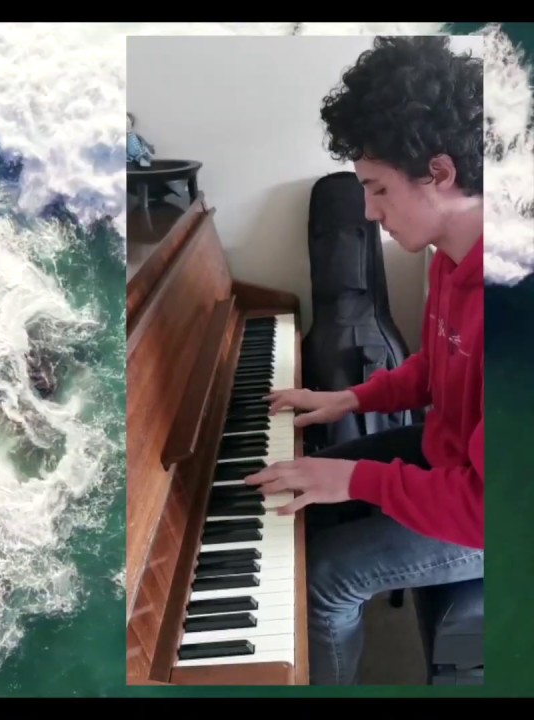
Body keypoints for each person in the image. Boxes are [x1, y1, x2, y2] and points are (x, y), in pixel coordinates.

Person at [241, 36, 485, 686]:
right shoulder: (450, 254)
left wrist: (355, 480)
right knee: (297, 483)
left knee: (326, 575)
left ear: (439, 173)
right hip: (452, 456)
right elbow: (437, 368)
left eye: (377, 190)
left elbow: (486, 507)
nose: (370, 214)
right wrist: (349, 400)